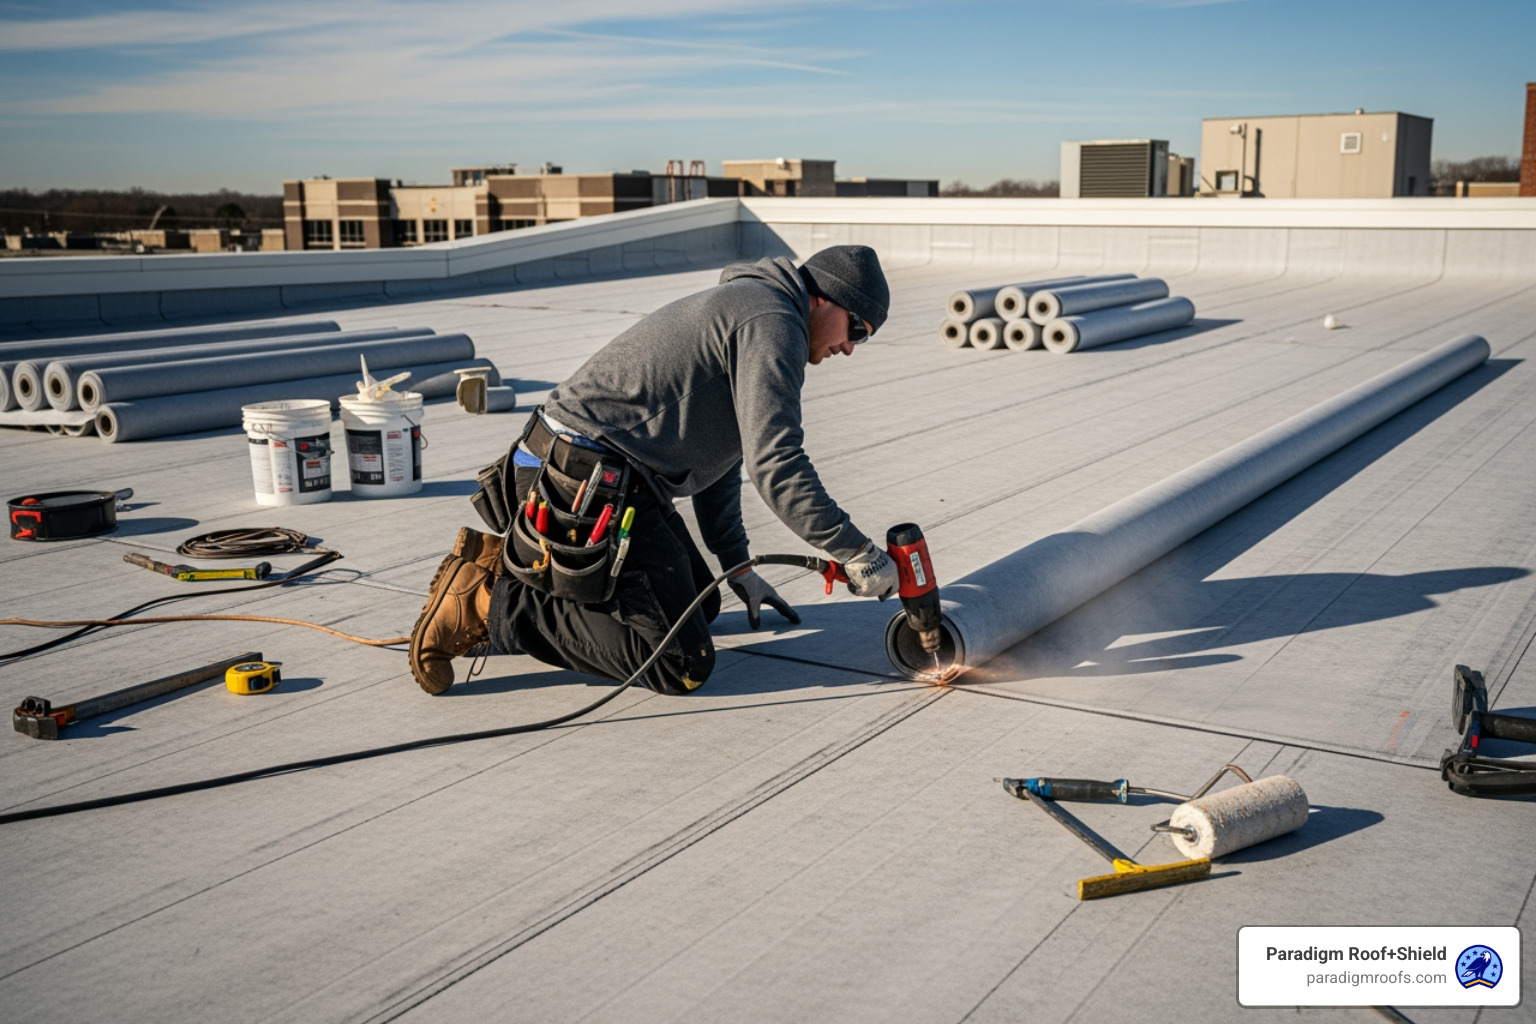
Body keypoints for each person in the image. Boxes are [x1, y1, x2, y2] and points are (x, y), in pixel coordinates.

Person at [409, 244, 901, 696]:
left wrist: (738, 565)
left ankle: (520, 570)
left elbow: (724, 460)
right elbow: (776, 463)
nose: (852, 347)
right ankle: (491, 600)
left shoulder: (756, 306)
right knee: (679, 662)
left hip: (591, 471)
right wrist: (854, 549)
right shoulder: (773, 321)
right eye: (856, 328)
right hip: (579, 481)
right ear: (822, 299)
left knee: (701, 606)